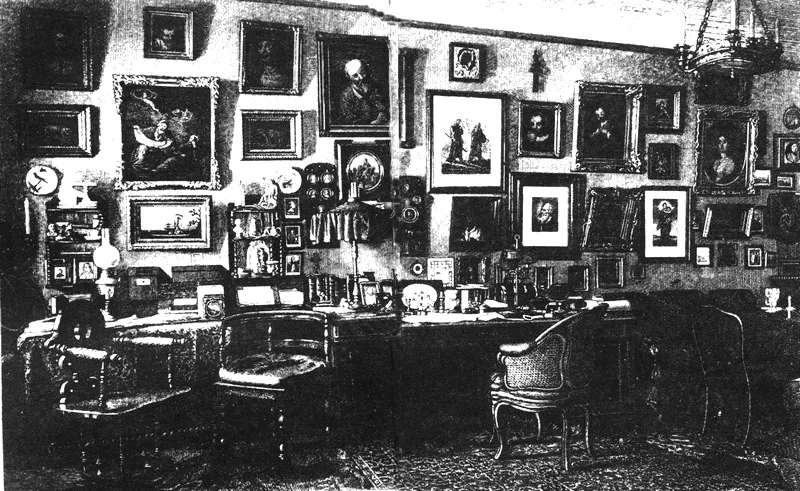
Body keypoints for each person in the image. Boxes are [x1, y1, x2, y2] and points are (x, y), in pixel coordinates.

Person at [338, 59, 388, 126]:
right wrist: (375, 123)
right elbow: (352, 124)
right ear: (349, 77)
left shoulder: (376, 88)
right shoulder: (346, 96)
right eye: (355, 75)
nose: (361, 77)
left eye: (362, 72)